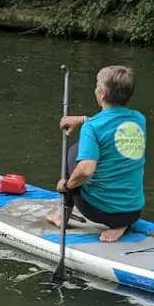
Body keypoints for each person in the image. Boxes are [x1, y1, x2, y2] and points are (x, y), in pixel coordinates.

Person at [47, 65, 146, 243]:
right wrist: (83, 119)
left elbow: (86, 171)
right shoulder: (139, 119)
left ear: (101, 92)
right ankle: (121, 225)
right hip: (133, 212)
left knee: (74, 153)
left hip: (101, 212)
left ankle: (63, 215)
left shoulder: (92, 128)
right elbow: (111, 124)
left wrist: (67, 186)